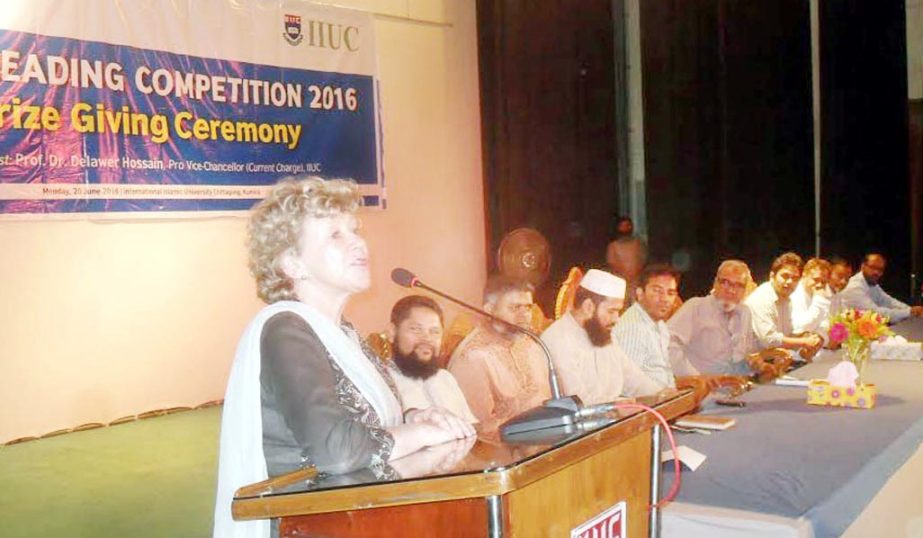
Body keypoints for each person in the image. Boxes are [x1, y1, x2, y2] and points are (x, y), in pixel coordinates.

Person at [213, 177, 473, 538]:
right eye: (335, 234)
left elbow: (363, 420)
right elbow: (335, 450)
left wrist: (414, 415)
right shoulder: (285, 331)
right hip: (317, 524)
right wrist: (420, 432)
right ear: (292, 263)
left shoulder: (342, 333)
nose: (358, 242)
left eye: (354, 229)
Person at [447, 276, 552, 433]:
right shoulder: (473, 357)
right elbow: (480, 430)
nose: (525, 315)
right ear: (490, 309)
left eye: (528, 307)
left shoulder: (531, 343)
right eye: (515, 308)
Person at [541, 269, 662, 405]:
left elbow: (633, 378)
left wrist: (661, 394)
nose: (617, 319)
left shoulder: (602, 333)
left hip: (615, 420)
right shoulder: (557, 340)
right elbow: (577, 403)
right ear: (588, 306)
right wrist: (615, 407)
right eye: (612, 311)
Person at [613, 264, 714, 400]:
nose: (665, 299)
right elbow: (626, 385)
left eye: (670, 293)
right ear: (639, 293)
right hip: (648, 412)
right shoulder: (634, 327)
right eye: (657, 291)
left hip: (665, 404)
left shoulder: (658, 324)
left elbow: (661, 377)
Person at [386, 295, 477, 424]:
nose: (427, 338)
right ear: (392, 332)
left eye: (435, 332)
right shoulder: (382, 383)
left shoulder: (445, 378)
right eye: (416, 329)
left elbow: (471, 427)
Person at [667, 260, 757, 376]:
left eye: (739, 285)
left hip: (737, 385)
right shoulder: (695, 307)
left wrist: (756, 364)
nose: (731, 290)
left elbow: (744, 355)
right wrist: (695, 377)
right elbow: (666, 344)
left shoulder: (745, 312)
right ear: (715, 283)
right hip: (703, 390)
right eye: (725, 282)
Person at [744, 252, 823, 357]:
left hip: (776, 360)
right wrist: (803, 341)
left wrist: (806, 337)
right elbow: (769, 340)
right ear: (772, 276)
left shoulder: (786, 299)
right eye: (785, 276)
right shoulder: (762, 298)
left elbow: (786, 335)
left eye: (795, 278)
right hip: (751, 365)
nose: (790, 281)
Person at [840, 253, 923, 322]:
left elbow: (888, 301)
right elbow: (876, 314)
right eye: (872, 267)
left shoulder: (871, 282)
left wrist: (912, 309)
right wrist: (909, 312)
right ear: (863, 266)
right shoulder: (855, 287)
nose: (876, 272)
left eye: (880, 269)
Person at [790, 257, 833, 335]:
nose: (819, 285)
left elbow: (825, 323)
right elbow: (801, 328)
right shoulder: (794, 294)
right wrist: (819, 302)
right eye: (816, 279)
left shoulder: (823, 292)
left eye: (823, 282)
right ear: (804, 275)